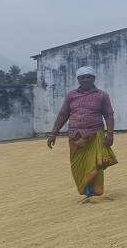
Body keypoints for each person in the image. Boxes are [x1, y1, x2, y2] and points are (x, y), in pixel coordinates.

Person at [46, 66, 118, 201]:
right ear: (78, 79)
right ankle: (86, 190)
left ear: (93, 79)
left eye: (88, 77)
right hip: (75, 136)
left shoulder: (102, 95)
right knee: (76, 165)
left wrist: (110, 134)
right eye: (82, 77)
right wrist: (53, 134)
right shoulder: (71, 95)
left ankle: (94, 193)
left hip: (94, 134)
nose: (85, 80)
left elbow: (109, 115)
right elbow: (63, 114)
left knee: (94, 163)